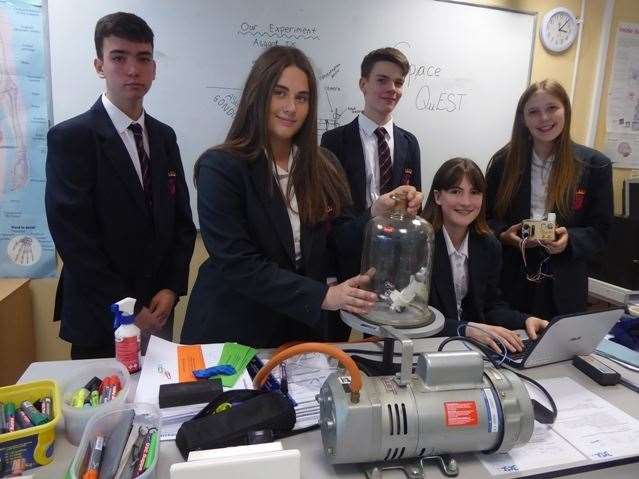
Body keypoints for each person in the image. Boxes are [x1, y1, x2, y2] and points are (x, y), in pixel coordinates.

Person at [180, 46, 422, 348]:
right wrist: (323, 296)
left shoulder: (324, 164)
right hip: (234, 330)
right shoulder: (220, 167)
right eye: (279, 93)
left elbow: (339, 238)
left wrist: (376, 211)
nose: (291, 107)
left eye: (302, 97)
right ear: (258, 95)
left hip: (300, 330)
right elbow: (238, 263)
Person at [45, 12, 196, 359]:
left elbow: (182, 224)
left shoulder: (164, 137)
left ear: (154, 68)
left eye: (143, 59)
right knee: (106, 409)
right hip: (101, 315)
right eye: (119, 57)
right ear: (99, 65)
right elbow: (75, 241)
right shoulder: (72, 138)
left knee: (155, 405)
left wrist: (172, 287)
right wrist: (127, 309)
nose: (132, 69)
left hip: (158, 310)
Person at [486, 79, 613, 320]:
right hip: (511, 282)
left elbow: (601, 231)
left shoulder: (595, 165)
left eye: (552, 108)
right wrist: (504, 235)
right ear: (523, 119)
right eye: (533, 111)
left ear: (565, 109)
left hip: (564, 287)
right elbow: (485, 219)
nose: (544, 118)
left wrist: (569, 240)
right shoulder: (503, 162)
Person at [423, 158, 548, 352]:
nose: (466, 202)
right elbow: (410, 315)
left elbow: (491, 306)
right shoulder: (418, 242)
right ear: (438, 197)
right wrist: (465, 329)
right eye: (456, 191)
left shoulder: (488, 245)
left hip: (469, 349)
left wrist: (526, 320)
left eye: (475, 193)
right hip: (424, 347)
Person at [321, 47, 421, 216]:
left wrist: (414, 202)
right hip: (350, 240)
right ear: (363, 84)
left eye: (398, 83)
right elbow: (329, 214)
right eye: (382, 80)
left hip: (398, 241)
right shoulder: (334, 141)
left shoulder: (409, 142)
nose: (392, 89)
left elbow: (416, 209)